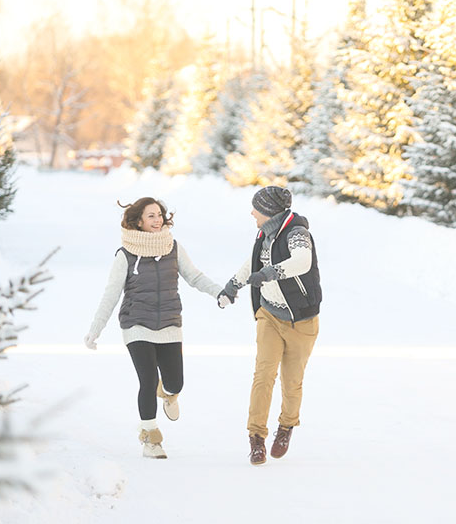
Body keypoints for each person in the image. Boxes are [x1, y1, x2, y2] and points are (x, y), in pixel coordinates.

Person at [85, 197, 222, 459]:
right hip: (136, 323)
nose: (157, 219)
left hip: (169, 322)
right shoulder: (125, 254)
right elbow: (111, 294)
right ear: (138, 220)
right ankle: (151, 437)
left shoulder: (173, 248)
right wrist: (95, 329)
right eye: (150, 216)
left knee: (175, 382)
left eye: (159, 214)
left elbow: (194, 277)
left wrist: (219, 292)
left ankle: (168, 394)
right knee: (147, 379)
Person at [217, 186, 322, 465]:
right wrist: (232, 286)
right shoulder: (264, 234)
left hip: (301, 320)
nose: (252, 213)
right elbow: (252, 262)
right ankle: (256, 438)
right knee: (263, 375)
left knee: (292, 381)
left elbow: (303, 261)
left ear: (269, 211)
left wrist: (270, 273)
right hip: (269, 315)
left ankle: (286, 427)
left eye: (257, 209)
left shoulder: (297, 233)